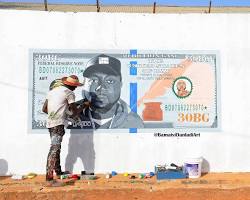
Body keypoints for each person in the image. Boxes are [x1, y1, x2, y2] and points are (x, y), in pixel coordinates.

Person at [69, 54, 144, 129]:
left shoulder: (134, 123)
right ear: (84, 83)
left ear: (120, 85)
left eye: (110, 81)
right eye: (94, 80)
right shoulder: (66, 117)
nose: (101, 88)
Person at [42, 75, 89, 182]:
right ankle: (49, 176)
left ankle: (58, 172)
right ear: (71, 86)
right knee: (54, 149)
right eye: (75, 86)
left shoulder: (52, 91)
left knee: (56, 147)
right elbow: (74, 113)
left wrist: (58, 112)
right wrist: (84, 106)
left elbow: (44, 109)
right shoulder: (69, 93)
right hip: (58, 125)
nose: (76, 88)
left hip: (50, 124)